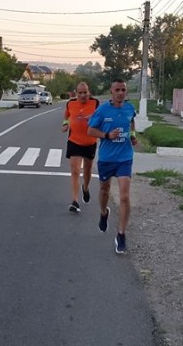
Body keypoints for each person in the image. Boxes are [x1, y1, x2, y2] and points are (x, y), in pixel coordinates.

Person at [87, 78, 138, 254]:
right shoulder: (102, 110)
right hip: (107, 158)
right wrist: (107, 135)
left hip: (125, 158)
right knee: (104, 191)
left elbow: (131, 122)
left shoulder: (130, 108)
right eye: (117, 90)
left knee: (124, 196)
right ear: (111, 92)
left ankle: (121, 235)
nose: (121, 93)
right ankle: (103, 212)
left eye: (123, 90)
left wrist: (132, 135)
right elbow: (91, 131)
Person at [62, 82, 99, 213]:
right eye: (80, 93)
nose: (83, 95)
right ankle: (75, 201)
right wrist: (65, 125)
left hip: (90, 142)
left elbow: (103, 118)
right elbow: (66, 116)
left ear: (89, 92)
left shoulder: (95, 103)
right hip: (74, 141)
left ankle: (86, 187)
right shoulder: (70, 104)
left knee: (87, 170)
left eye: (85, 92)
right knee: (75, 170)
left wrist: (94, 118)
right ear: (76, 93)